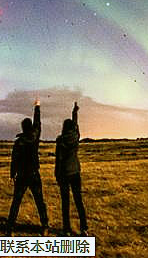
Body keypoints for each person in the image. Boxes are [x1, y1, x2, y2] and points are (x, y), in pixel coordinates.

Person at [5, 99, 49, 235]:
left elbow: (14, 159)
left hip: (22, 175)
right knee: (39, 201)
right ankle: (45, 226)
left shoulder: (18, 142)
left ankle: (10, 228)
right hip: (34, 174)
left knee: (16, 202)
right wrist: (37, 107)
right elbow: (38, 123)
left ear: (22, 127)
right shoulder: (34, 137)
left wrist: (13, 174)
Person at [54, 101, 89, 236]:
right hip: (75, 173)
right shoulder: (75, 137)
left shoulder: (60, 140)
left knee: (65, 202)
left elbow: (59, 159)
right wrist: (74, 112)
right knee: (78, 200)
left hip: (63, 174)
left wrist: (56, 174)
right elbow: (76, 125)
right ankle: (83, 228)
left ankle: (66, 229)